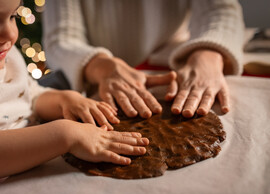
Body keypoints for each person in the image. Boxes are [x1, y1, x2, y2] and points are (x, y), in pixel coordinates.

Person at [0, 0, 149, 184]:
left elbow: (29, 96)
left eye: (12, 16)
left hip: (27, 178)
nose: (11, 35)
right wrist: (65, 135)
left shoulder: (2, 55)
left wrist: (64, 99)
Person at [42, 0, 245, 118]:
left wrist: (208, 56)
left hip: (169, 65)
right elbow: (60, 39)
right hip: (97, 78)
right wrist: (99, 65)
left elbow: (222, 11)